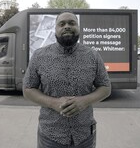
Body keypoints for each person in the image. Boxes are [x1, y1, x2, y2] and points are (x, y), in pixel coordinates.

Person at [23, 11, 111, 148]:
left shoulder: (93, 56)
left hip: (84, 135)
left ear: (79, 27)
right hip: (50, 136)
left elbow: (105, 87)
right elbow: (28, 89)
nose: (67, 26)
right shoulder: (39, 56)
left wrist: (84, 101)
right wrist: (53, 103)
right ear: (55, 30)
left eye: (72, 23)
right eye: (62, 24)